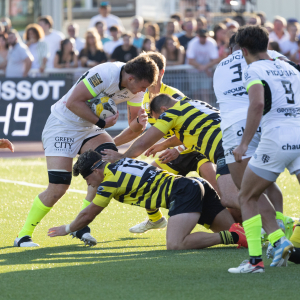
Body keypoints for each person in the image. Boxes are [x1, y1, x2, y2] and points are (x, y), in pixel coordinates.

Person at [13, 54, 159, 247]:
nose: (145, 90)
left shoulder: (137, 90)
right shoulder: (105, 73)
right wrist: (101, 122)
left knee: (105, 167)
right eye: (144, 86)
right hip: (62, 125)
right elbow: (72, 102)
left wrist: (140, 125)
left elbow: (134, 126)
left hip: (89, 128)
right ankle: (23, 235)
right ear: (131, 78)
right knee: (58, 187)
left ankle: (80, 227)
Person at [48, 149, 248, 251]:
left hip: (183, 192)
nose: (89, 184)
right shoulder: (121, 162)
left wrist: (67, 229)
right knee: (239, 232)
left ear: (96, 170)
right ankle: (260, 233)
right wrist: (155, 218)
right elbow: (146, 191)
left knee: (176, 245)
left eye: (87, 179)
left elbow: (88, 214)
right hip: (195, 185)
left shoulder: (109, 181)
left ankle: (233, 237)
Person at [127, 52, 235, 234]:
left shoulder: (173, 96)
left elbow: (192, 127)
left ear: (160, 73)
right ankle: (155, 219)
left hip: (195, 149)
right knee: (150, 178)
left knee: (221, 190)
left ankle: (236, 225)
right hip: (177, 149)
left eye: (152, 71)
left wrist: (172, 147)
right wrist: (138, 124)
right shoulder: (145, 98)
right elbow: (136, 129)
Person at [102, 93, 247, 225]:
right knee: (252, 188)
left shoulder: (170, 113)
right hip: (242, 140)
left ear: (163, 110)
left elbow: (143, 142)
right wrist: (164, 144)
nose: (160, 122)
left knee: (228, 197)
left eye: (158, 118)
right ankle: (261, 225)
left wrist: (121, 157)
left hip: (225, 148)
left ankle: (263, 225)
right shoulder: (192, 103)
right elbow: (190, 131)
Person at [228, 25, 300, 273]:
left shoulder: (254, 69)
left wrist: (244, 143)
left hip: (276, 137)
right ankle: (280, 245)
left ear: (243, 50)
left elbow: (257, 103)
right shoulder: (290, 67)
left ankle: (255, 262)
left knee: (247, 196)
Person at [213, 32, 293, 253]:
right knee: (267, 182)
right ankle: (279, 226)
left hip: (237, 127)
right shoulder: (272, 56)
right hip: (272, 124)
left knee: (247, 190)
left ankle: (270, 243)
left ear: (234, 49)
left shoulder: (220, 67)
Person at [186, 29, 219, 102]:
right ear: (198, 36)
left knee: (205, 92)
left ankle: (207, 110)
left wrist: (204, 68)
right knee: (196, 93)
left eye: (204, 37)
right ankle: (197, 110)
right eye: (201, 36)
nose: (203, 38)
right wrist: (204, 67)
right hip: (193, 72)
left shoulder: (211, 43)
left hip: (205, 72)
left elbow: (215, 59)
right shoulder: (192, 43)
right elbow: (190, 60)